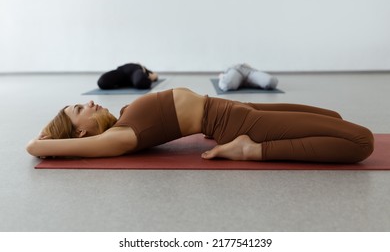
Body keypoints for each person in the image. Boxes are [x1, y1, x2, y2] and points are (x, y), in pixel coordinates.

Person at [26, 88, 374, 163]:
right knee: (362, 141)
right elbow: (36, 147)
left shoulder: (123, 118)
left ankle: (254, 144)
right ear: (81, 133)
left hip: (239, 107)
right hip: (241, 123)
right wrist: (44, 137)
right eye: (78, 110)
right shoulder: (118, 137)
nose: (88, 102)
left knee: (334, 119)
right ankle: (252, 150)